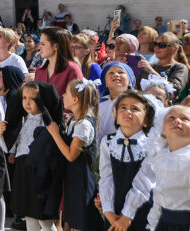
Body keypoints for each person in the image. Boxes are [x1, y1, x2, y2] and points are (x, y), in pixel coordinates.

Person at [0, 81, 63, 231]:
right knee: (29, 214)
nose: (27, 103)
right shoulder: (22, 119)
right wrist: (1, 135)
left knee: (44, 219)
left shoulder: (48, 123)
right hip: (24, 169)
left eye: (33, 99)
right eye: (24, 97)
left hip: (41, 172)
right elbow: (8, 148)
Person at [46, 79, 103, 231]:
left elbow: (71, 155)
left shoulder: (84, 124)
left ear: (75, 99)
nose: (62, 95)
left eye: (66, 93)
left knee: (80, 222)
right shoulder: (74, 120)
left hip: (82, 180)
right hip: (72, 178)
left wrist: (55, 134)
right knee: (69, 221)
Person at [99, 90, 156, 231]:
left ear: (146, 120)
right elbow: (106, 177)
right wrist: (108, 211)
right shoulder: (107, 142)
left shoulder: (152, 145)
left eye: (135, 108)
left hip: (143, 209)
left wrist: (126, 216)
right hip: (115, 210)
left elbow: (144, 182)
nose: (127, 111)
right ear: (116, 116)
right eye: (123, 107)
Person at [147, 104, 190, 231]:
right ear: (163, 130)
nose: (177, 121)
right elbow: (158, 193)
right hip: (165, 222)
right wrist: (153, 223)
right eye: (171, 118)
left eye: (185, 119)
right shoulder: (161, 157)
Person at [34, 27, 84, 99]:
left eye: (43, 44)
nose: (39, 47)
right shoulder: (39, 71)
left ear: (55, 46)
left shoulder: (72, 69)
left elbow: (77, 102)